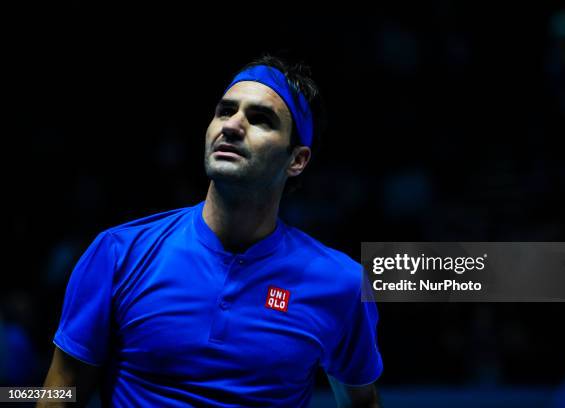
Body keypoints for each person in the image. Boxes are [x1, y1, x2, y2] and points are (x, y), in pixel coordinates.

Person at [39, 55, 383, 407]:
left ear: (297, 160)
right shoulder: (117, 253)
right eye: (225, 111)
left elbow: (363, 402)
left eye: (260, 119)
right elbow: (59, 392)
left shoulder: (343, 283)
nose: (232, 126)